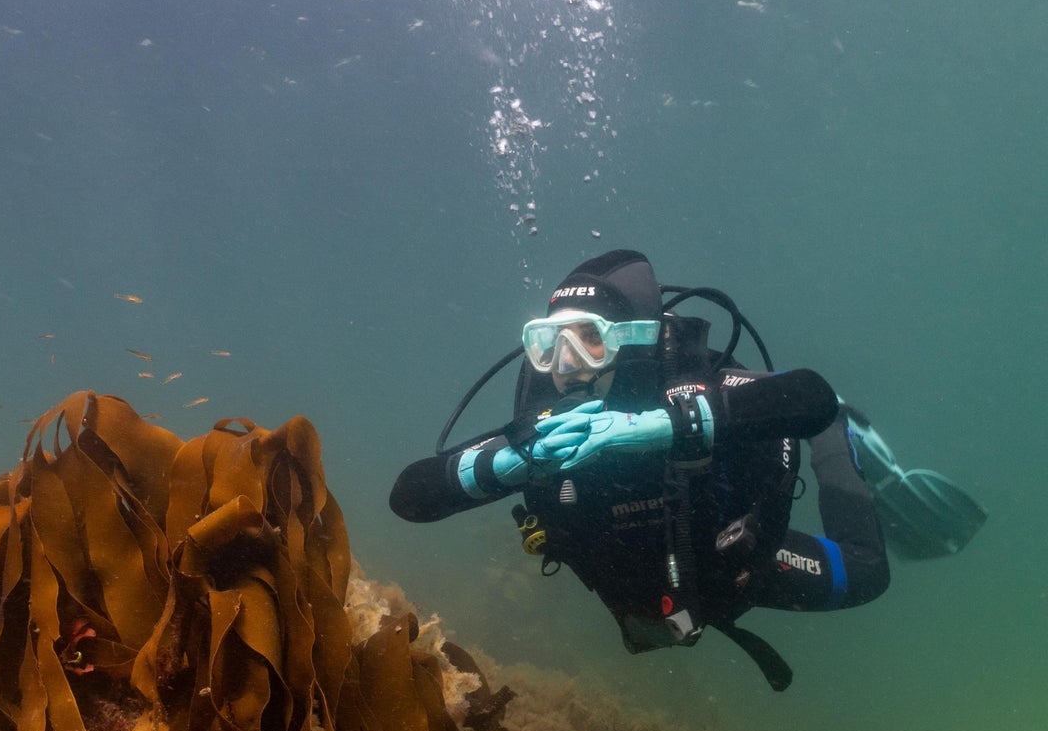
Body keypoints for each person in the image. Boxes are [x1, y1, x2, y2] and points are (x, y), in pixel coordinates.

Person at [388, 249, 984, 690]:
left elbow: (807, 396)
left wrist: (665, 425)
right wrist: (510, 462)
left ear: (637, 340)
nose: (564, 367)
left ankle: (844, 444)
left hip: (734, 560)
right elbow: (410, 496)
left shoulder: (694, 384)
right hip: (656, 590)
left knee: (867, 573)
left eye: (589, 344)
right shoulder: (546, 431)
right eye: (546, 345)